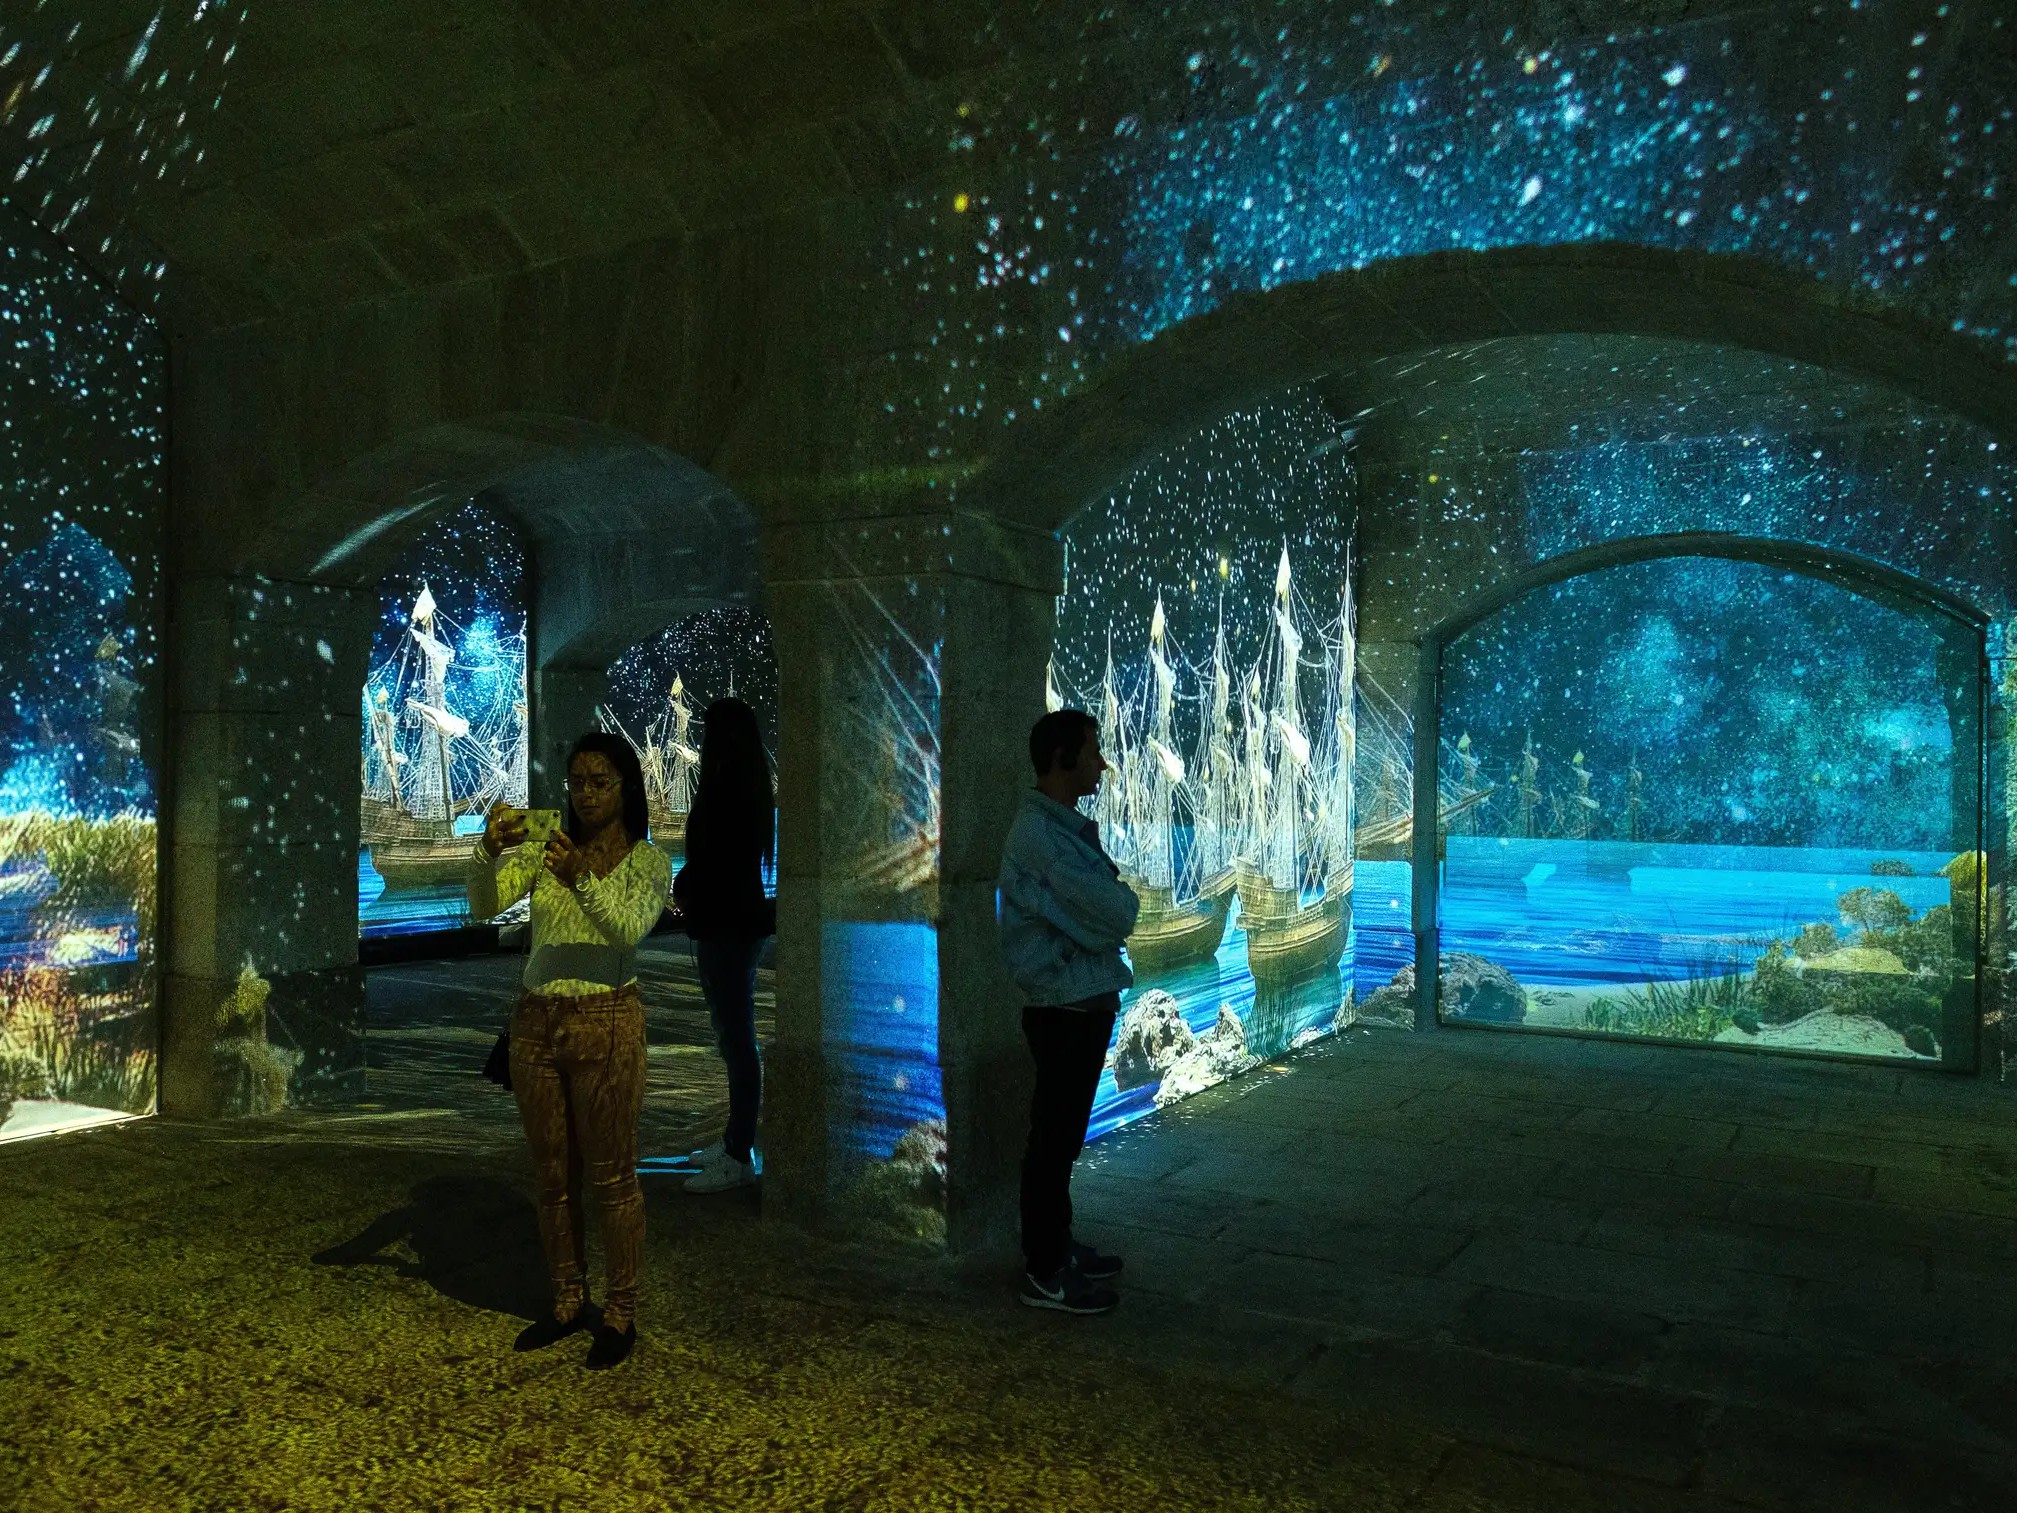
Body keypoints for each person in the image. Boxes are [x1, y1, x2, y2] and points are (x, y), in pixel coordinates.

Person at [470, 732, 670, 1370]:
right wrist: (485, 850)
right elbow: (484, 906)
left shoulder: (648, 861)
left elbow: (627, 929)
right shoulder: (546, 849)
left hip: (606, 1020)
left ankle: (620, 1310)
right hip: (537, 1022)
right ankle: (566, 1298)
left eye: (600, 782)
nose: (586, 794)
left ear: (626, 787)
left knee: (611, 1175)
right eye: (578, 781)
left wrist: (579, 877)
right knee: (552, 1175)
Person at [996, 708, 1137, 1315]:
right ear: (1061, 759)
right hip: (1064, 1007)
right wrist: (1109, 915)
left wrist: (1103, 918)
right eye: (1091, 751)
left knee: (1063, 1139)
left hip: (1079, 1002)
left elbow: (1103, 916)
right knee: (1053, 1141)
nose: (1101, 763)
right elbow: (1118, 913)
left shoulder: (1061, 831)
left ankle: (1057, 1245)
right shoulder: (1042, 839)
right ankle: (1045, 1271)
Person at [673, 697, 777, 1193]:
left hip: (726, 927)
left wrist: (683, 885)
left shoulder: (726, 791)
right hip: (737, 924)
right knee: (735, 1037)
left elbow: (715, 862)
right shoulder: (750, 787)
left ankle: (738, 1153)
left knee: (736, 1039)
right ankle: (736, 1140)